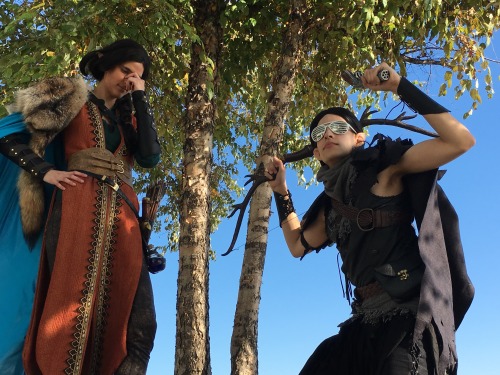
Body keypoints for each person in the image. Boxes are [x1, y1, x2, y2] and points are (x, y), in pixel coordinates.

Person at [266, 62, 475, 375]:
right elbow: (297, 244)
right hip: (363, 323)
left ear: (359, 139)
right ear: (317, 154)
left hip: (410, 318)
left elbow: (460, 141)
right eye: (319, 134)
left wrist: (397, 85)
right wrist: (281, 192)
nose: (327, 136)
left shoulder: (385, 169)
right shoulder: (330, 206)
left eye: (338, 129)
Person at [0, 39, 160, 374]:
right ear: (106, 66)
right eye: (125, 70)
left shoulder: (129, 120)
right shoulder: (70, 97)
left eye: (138, 76)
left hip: (124, 217)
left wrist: (140, 98)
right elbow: (6, 136)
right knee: (69, 311)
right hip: (76, 206)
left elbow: (149, 158)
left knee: (140, 323)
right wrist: (45, 171)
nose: (129, 79)